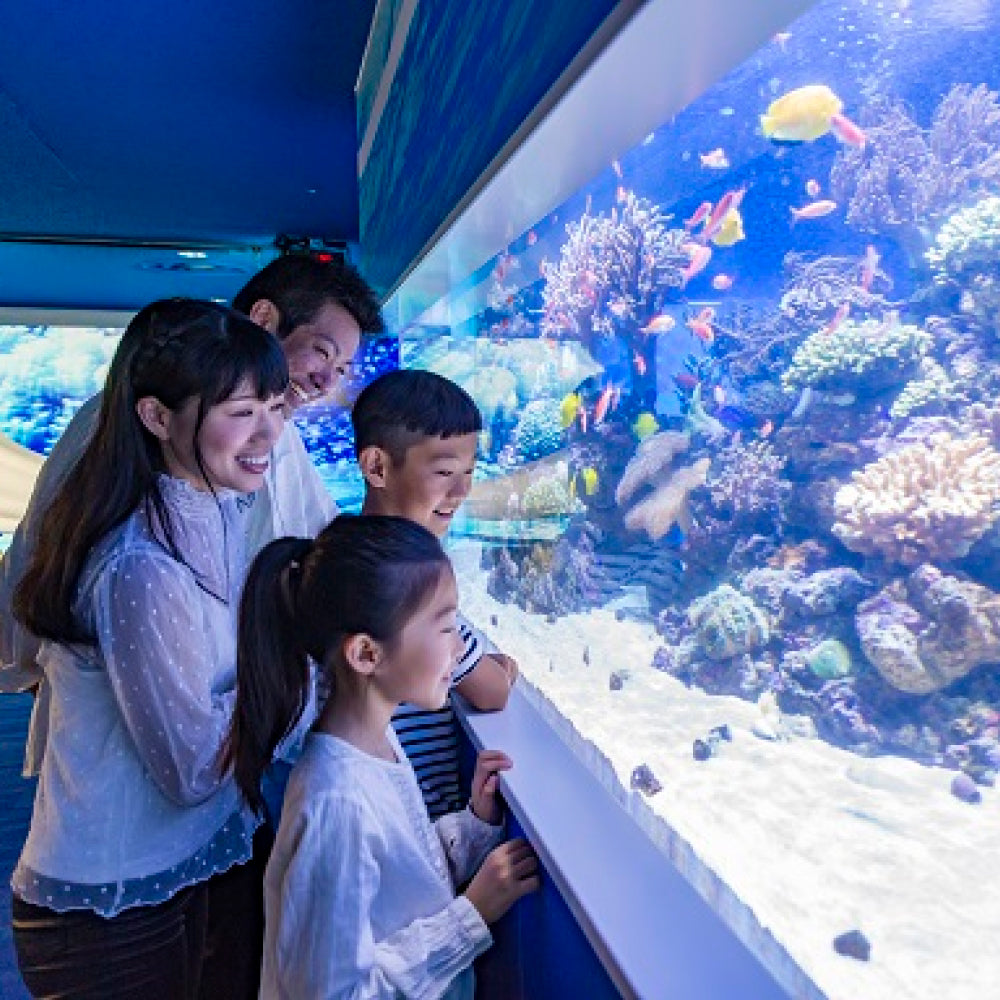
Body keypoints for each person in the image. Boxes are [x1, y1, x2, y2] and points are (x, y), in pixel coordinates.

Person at [0, 253, 384, 776]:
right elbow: (43, 562)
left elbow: (319, 539)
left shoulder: (272, 438)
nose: (325, 384)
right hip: (126, 768)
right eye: (322, 354)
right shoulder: (116, 446)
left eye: (340, 371)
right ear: (265, 320)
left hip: (218, 746)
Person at [10, 299, 288, 998]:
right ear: (157, 417)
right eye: (240, 411)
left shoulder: (215, 509)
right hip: (108, 913)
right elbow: (191, 770)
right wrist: (299, 681)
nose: (267, 436)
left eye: (276, 407)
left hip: (175, 875)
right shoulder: (140, 566)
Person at [227, 514, 539, 998]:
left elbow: (398, 879)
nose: (460, 648)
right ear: (367, 655)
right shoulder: (337, 803)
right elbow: (333, 992)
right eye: (444, 628)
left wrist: (473, 825)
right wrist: (470, 915)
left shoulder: (377, 744)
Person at [352, 369, 519, 819]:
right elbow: (492, 691)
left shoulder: (344, 555)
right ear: (377, 467)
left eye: (469, 472)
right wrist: (497, 665)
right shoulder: (404, 577)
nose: (462, 490)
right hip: (410, 822)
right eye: (444, 471)